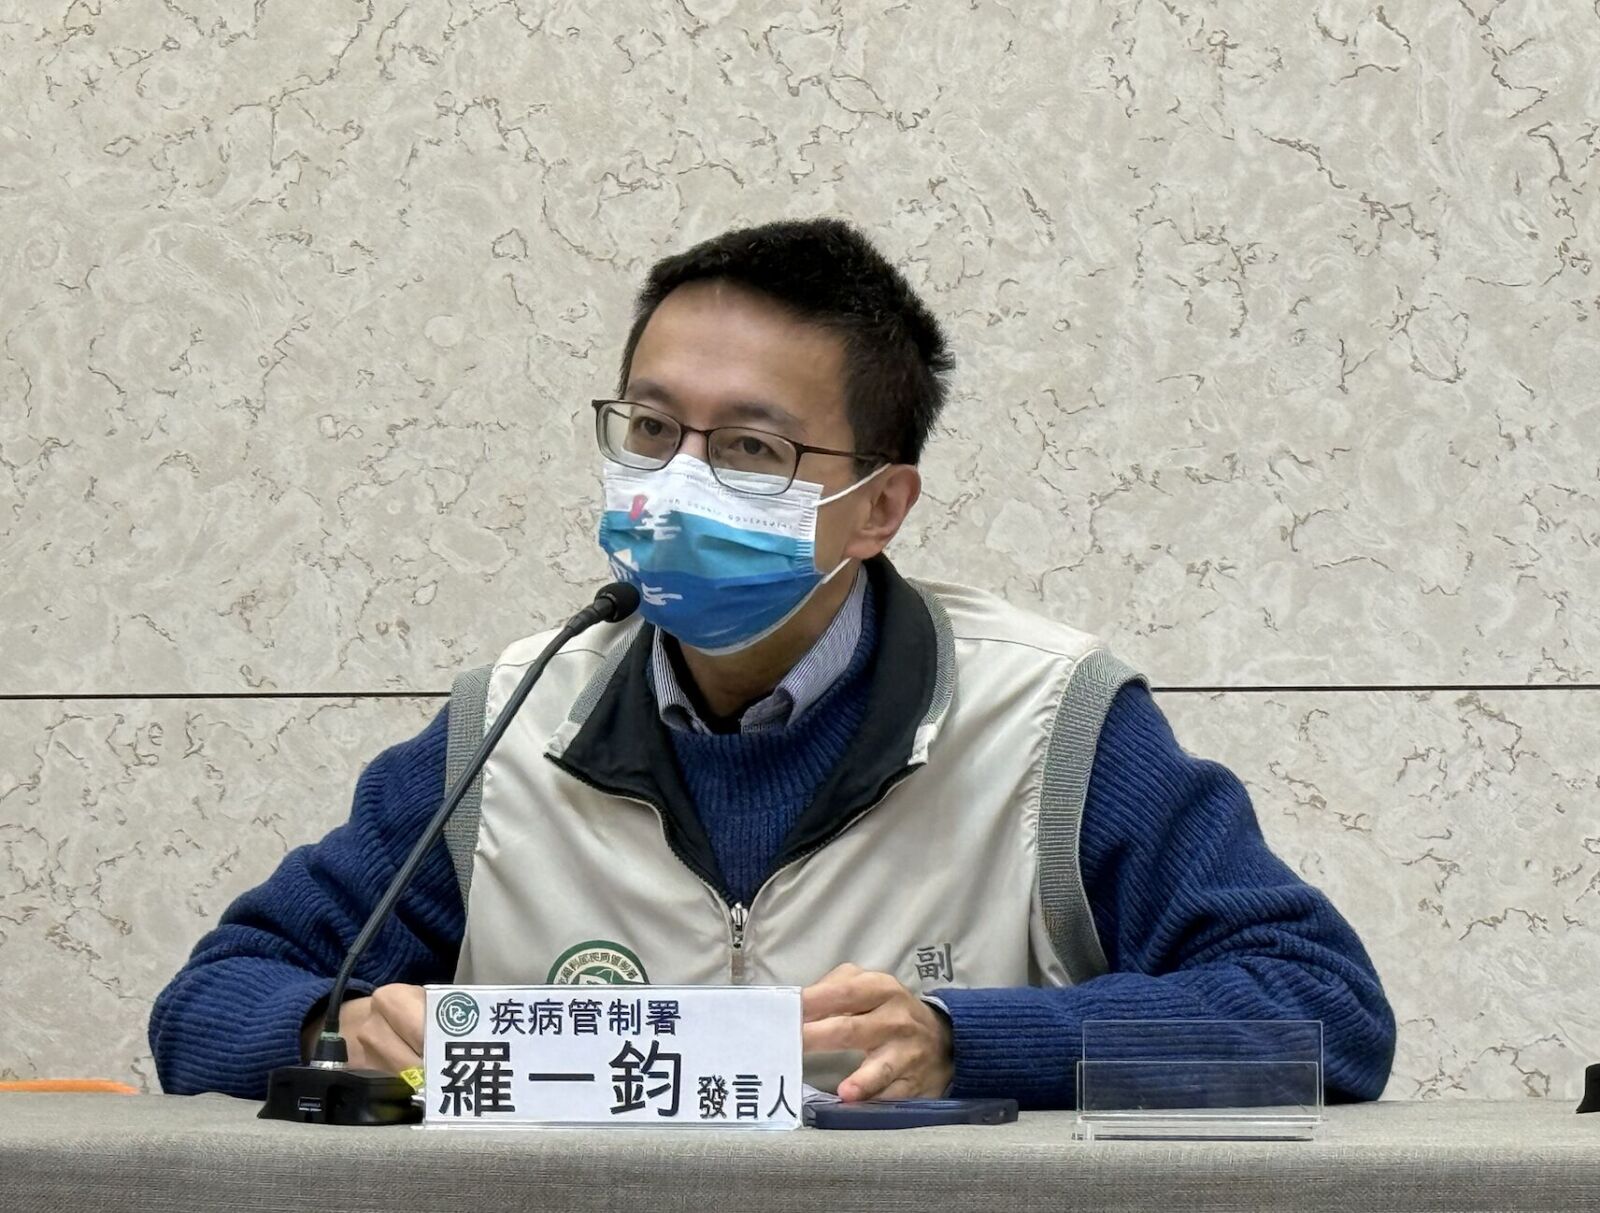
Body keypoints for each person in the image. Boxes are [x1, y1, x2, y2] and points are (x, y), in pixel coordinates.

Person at [150, 218, 1396, 1106]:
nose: (677, 482)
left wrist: (967, 1039)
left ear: (877, 507)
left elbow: (1318, 1011)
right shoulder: (518, 720)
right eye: (650, 428)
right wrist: (336, 1030)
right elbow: (208, 1003)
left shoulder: (1045, 719)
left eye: (750, 449)